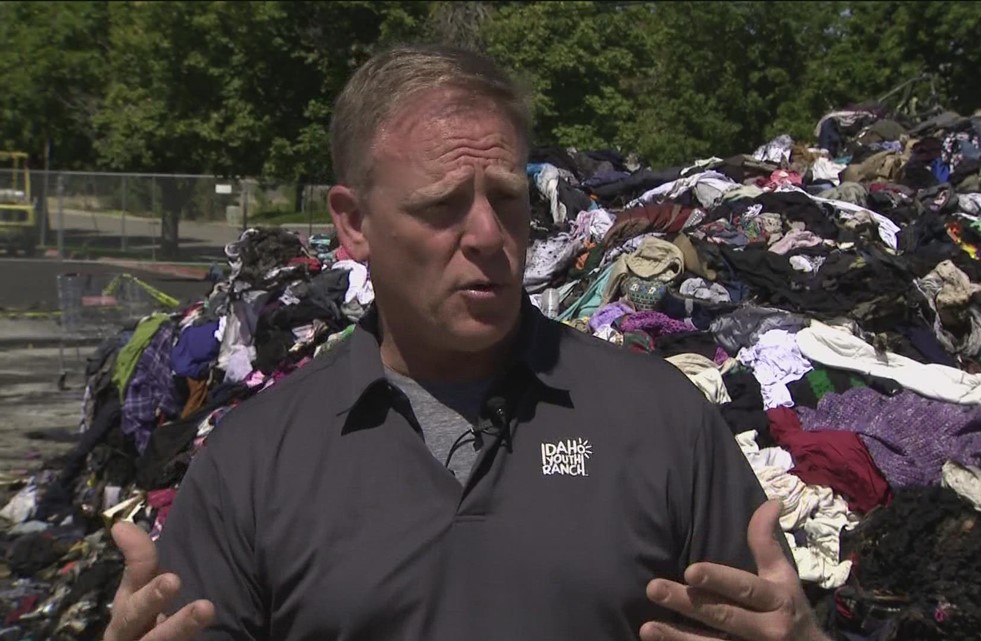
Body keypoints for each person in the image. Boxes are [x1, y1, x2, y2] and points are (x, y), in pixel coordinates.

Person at [101, 44, 830, 641]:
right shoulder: (254, 464)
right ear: (353, 224)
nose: (488, 236)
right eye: (443, 205)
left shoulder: (661, 423)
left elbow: (763, 616)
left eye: (506, 197)